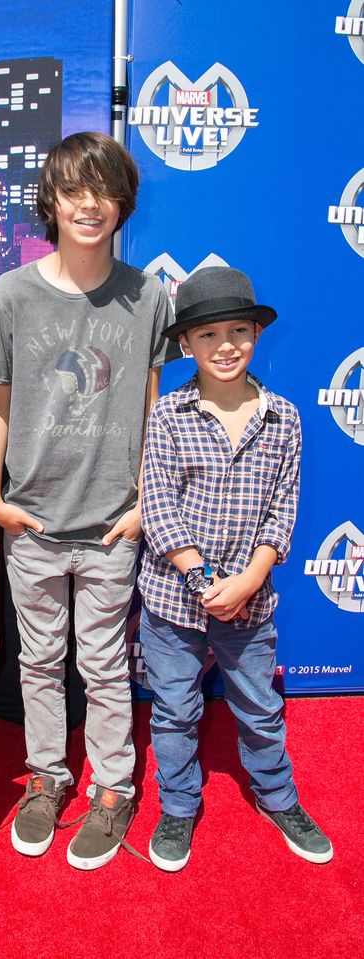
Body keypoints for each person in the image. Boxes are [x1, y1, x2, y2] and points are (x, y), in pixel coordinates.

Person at [0, 131, 175, 869]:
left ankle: (114, 786)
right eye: (73, 190)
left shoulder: (147, 294)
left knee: (103, 662)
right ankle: (48, 777)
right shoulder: (11, 294)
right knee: (39, 660)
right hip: (29, 518)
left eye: (104, 189)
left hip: (109, 523)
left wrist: (143, 502)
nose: (89, 204)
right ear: (51, 202)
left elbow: (155, 404)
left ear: (123, 202)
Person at [139, 265, 333, 871]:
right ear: (185, 345)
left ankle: (278, 797)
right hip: (174, 599)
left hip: (251, 601)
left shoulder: (285, 418)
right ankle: (177, 806)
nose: (225, 346)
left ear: (256, 333)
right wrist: (200, 580)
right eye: (207, 335)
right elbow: (159, 504)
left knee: (259, 706)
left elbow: (283, 507)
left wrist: (249, 579)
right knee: (173, 708)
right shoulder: (169, 417)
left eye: (237, 331)